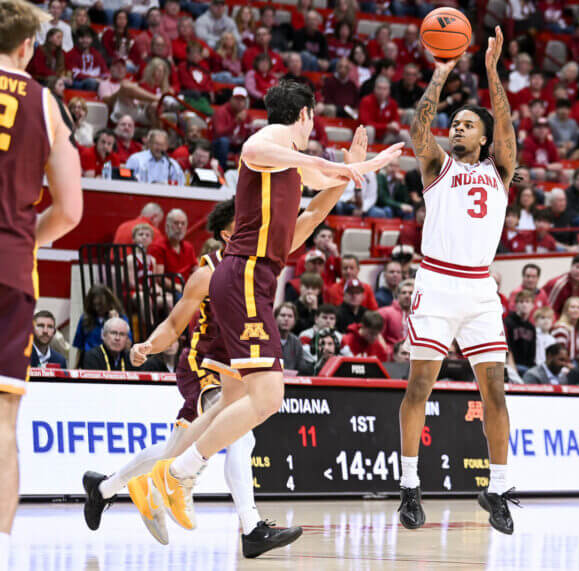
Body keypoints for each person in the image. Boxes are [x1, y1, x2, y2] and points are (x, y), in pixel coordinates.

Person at [125, 81, 401, 544]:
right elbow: (259, 149)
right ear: (306, 114)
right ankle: (176, 476)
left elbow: (316, 199)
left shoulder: (287, 168)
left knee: (236, 402)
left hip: (254, 276)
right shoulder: (269, 140)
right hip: (246, 274)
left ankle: (159, 483)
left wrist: (350, 170)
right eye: (313, 119)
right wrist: (344, 167)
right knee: (269, 397)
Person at [86, 199, 306, 557]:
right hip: (204, 366)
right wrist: (149, 345)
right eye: (246, 221)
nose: (255, 225)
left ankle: (104, 489)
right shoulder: (208, 272)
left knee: (175, 450)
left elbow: (305, 222)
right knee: (241, 437)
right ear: (228, 233)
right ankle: (251, 528)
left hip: (237, 368)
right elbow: (175, 323)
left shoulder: (260, 262)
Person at [397, 27, 518, 535]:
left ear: (484, 138)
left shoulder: (501, 169)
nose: (459, 129)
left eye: (468, 125)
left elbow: (506, 124)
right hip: (438, 283)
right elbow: (418, 127)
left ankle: (498, 488)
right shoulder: (437, 166)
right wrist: (441, 73)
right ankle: (409, 485)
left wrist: (491, 70)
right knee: (420, 385)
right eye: (456, 124)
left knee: (495, 393)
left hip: (480, 290)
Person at [148, 209, 197, 283]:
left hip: (187, 286)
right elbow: (159, 278)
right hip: (169, 288)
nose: (180, 226)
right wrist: (179, 287)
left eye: (183, 223)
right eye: (176, 223)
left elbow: (196, 269)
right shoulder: (157, 247)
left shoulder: (188, 247)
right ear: (167, 226)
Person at [505, 290, 536, 375]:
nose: (524, 304)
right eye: (521, 301)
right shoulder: (508, 322)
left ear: (532, 305)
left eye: (527, 301)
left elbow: (532, 353)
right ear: (516, 305)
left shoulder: (531, 327)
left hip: (527, 367)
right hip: (512, 365)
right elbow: (507, 348)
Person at [275, 302, 311, 374]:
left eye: (290, 316)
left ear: (294, 321)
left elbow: (301, 367)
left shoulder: (296, 342)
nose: (286, 319)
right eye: (282, 315)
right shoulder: (268, 340)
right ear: (275, 318)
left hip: (291, 380)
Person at [550, 296, 579, 362]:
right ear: (566, 310)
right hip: (563, 364)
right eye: (572, 307)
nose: (576, 310)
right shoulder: (561, 328)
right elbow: (558, 354)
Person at [377, 279, 413, 347]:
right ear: (398, 295)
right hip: (391, 351)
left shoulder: (418, 316)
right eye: (404, 293)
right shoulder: (384, 312)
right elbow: (378, 336)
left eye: (411, 293)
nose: (407, 296)